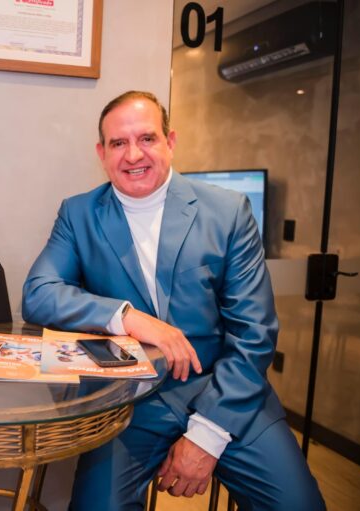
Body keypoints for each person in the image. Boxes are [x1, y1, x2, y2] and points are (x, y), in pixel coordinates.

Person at [22, 91, 325, 510]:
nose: (133, 155)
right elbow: (38, 293)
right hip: (129, 400)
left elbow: (254, 334)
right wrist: (127, 317)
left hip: (226, 392)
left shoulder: (228, 211)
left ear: (171, 141)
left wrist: (207, 435)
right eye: (118, 143)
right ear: (101, 153)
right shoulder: (79, 214)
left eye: (147, 138)